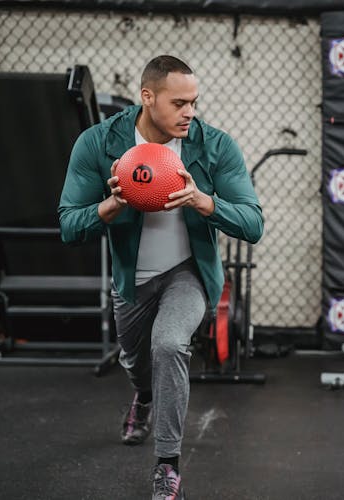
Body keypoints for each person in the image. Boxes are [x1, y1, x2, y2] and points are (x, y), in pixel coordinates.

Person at [58, 55, 263, 499]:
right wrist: (105, 211)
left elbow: (253, 223)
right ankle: (144, 397)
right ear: (148, 98)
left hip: (188, 274)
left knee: (169, 344)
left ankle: (167, 465)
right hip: (132, 280)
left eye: (194, 102)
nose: (190, 112)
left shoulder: (214, 146)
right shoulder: (98, 144)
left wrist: (204, 202)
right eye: (179, 102)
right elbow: (68, 226)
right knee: (136, 363)